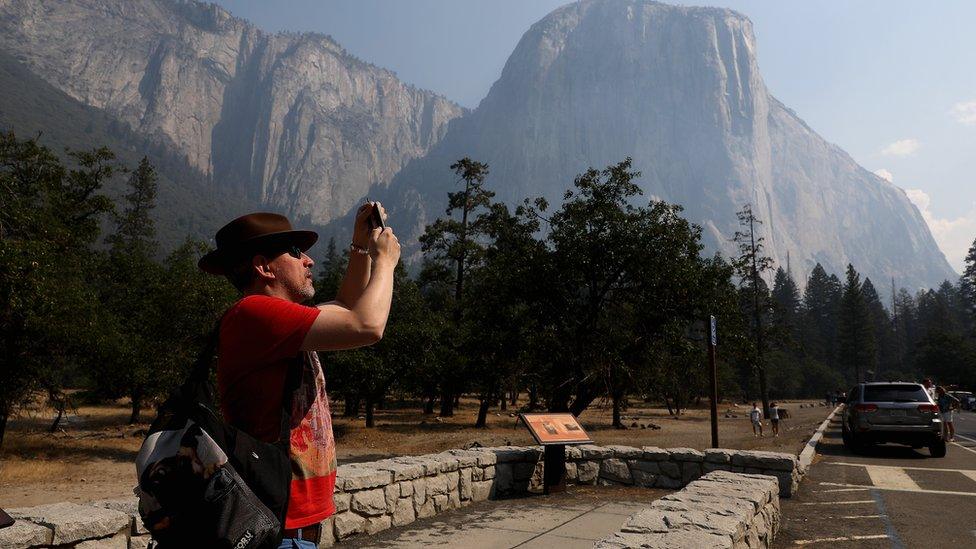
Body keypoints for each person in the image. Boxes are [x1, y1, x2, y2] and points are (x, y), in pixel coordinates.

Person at [199, 207, 399, 549]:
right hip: (275, 522)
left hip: (292, 521)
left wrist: (360, 246)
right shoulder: (253, 313)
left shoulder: (278, 322)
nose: (308, 261)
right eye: (294, 253)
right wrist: (386, 262)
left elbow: (347, 305)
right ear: (263, 267)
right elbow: (367, 324)